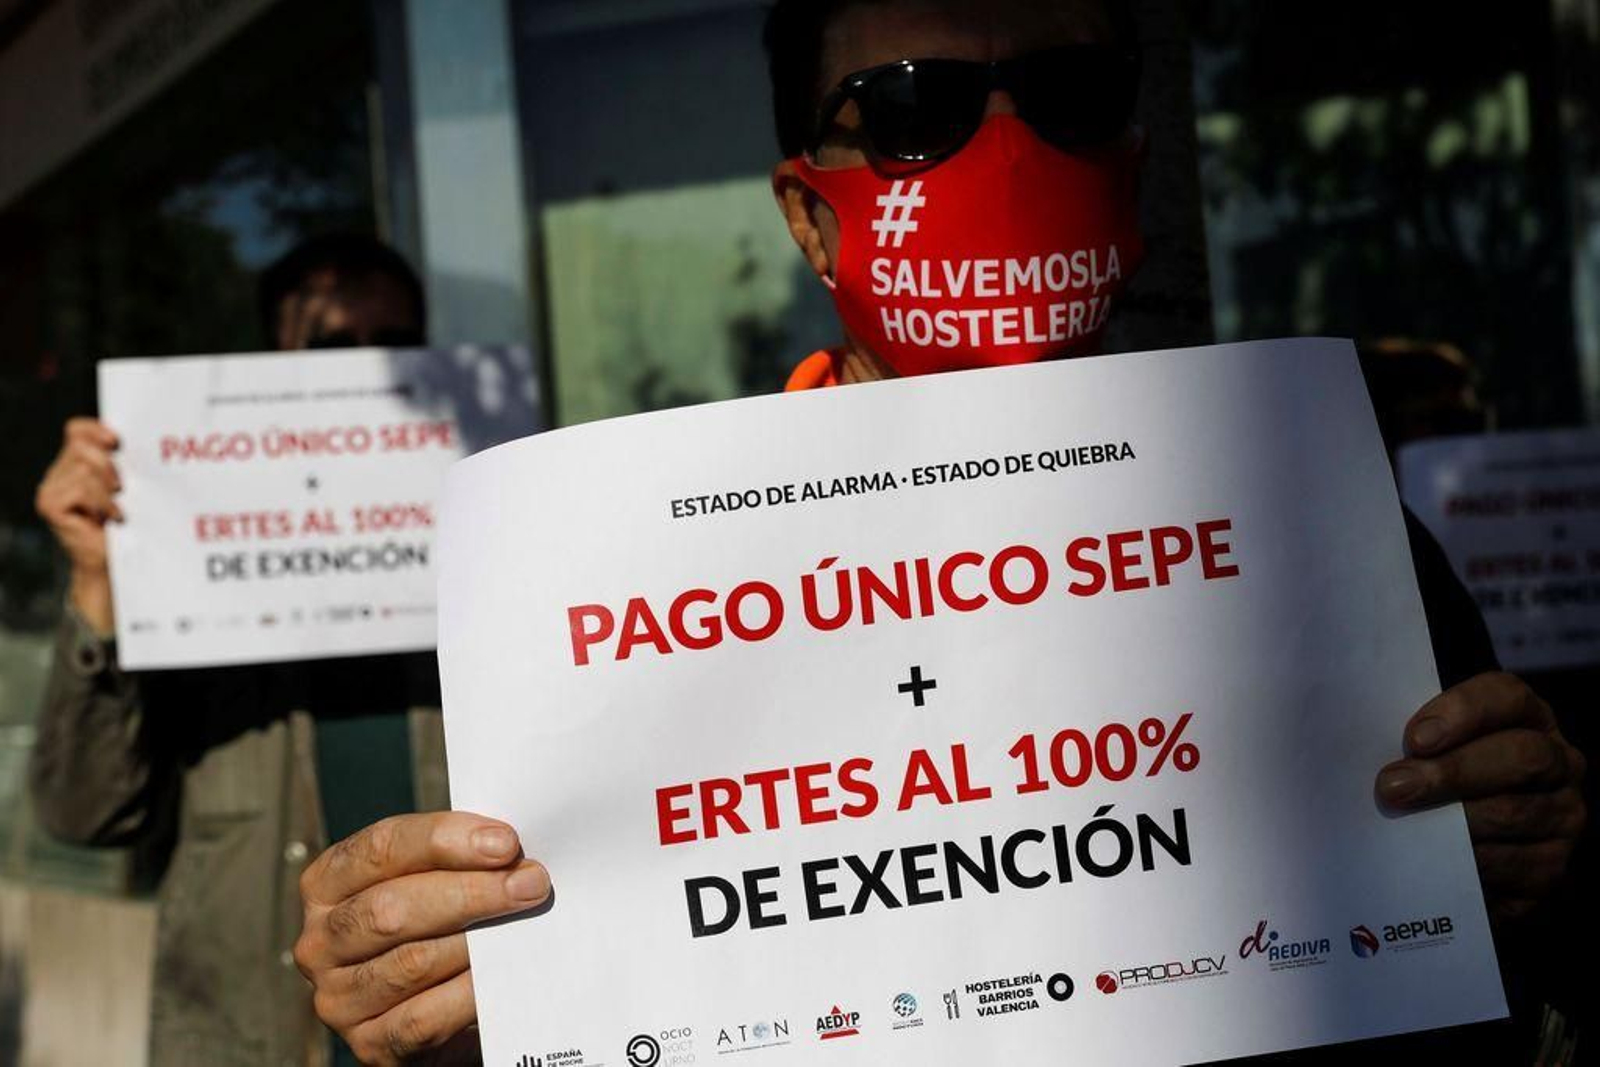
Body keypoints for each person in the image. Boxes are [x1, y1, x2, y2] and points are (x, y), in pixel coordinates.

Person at [293, 3, 1589, 1064]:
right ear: (808, 214)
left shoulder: (1342, 540)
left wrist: (1535, 878)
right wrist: (445, 1000)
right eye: (916, 111)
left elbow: (1476, 980)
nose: (1010, 156)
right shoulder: (611, 596)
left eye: (1070, 94)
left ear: (1130, 164)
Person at [31, 233, 449, 1067]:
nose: (363, 371)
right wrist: (100, 583)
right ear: (274, 370)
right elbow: (86, 812)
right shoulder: (187, 582)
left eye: (393, 348)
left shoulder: (490, 563)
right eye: (333, 349)